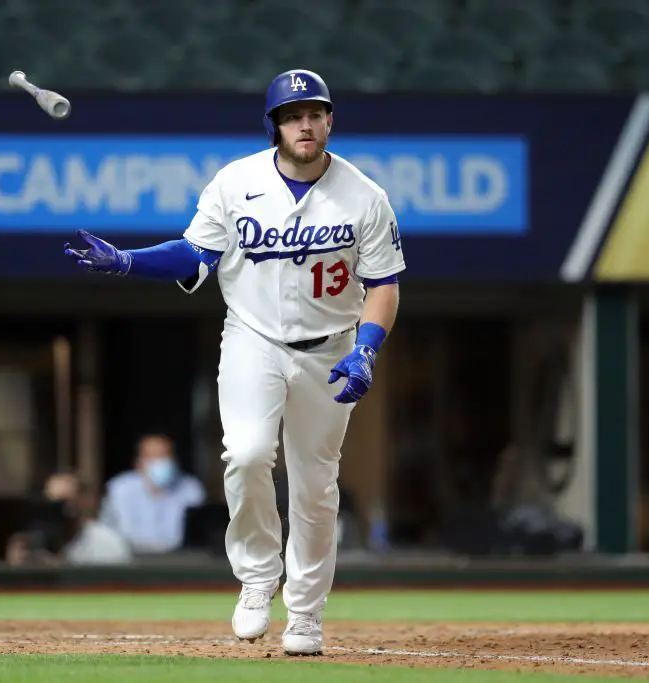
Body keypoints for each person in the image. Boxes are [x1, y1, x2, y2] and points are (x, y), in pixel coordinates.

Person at [64, 69, 405, 656]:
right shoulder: (236, 181)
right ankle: (255, 577)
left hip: (330, 348)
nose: (305, 123)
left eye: (315, 113)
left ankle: (305, 613)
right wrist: (126, 261)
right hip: (253, 339)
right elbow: (194, 254)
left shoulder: (364, 195)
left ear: (329, 121)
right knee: (246, 454)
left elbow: (385, 284)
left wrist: (366, 349)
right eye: (293, 115)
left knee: (316, 487)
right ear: (274, 125)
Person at [99, 433, 206, 553]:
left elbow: (196, 536)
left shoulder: (191, 488)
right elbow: (108, 533)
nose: (160, 461)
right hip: (129, 559)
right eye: (153, 457)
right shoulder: (120, 488)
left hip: (178, 559)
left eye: (164, 456)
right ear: (139, 462)